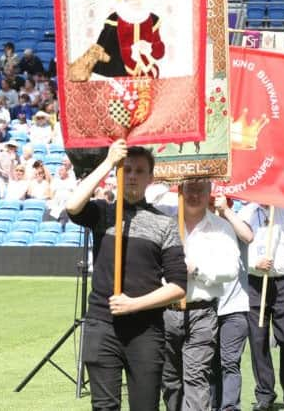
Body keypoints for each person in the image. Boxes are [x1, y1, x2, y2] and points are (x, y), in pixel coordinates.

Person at [66, 139, 187, 411]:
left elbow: (179, 286)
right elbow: (73, 206)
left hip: (146, 331)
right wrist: (109, 162)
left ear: (151, 178)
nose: (132, 175)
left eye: (139, 171)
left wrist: (134, 304)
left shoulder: (164, 224)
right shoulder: (102, 213)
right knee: (104, 406)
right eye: (126, 169)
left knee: (145, 406)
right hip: (101, 324)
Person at [162, 180, 240, 411]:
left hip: (201, 313)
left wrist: (196, 269)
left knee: (197, 378)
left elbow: (230, 269)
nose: (194, 195)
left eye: (200, 190)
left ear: (209, 194)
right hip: (166, 311)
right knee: (170, 381)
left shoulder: (221, 228)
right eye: (190, 189)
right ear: (180, 191)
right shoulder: (167, 225)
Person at [238, 203, 284, 411]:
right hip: (257, 281)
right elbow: (238, 248)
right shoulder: (246, 212)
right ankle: (265, 393)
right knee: (258, 339)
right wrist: (253, 264)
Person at [69, 0, 165, 81]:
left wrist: (150, 47)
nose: (137, 0)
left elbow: (159, 53)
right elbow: (102, 47)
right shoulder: (114, 19)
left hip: (146, 72)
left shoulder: (152, 19)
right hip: (119, 71)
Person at [210, 194, 253, 411]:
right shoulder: (203, 226)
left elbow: (248, 236)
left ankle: (229, 408)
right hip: (206, 308)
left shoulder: (236, 225)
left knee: (229, 363)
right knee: (208, 364)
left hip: (235, 308)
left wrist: (225, 211)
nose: (213, 204)